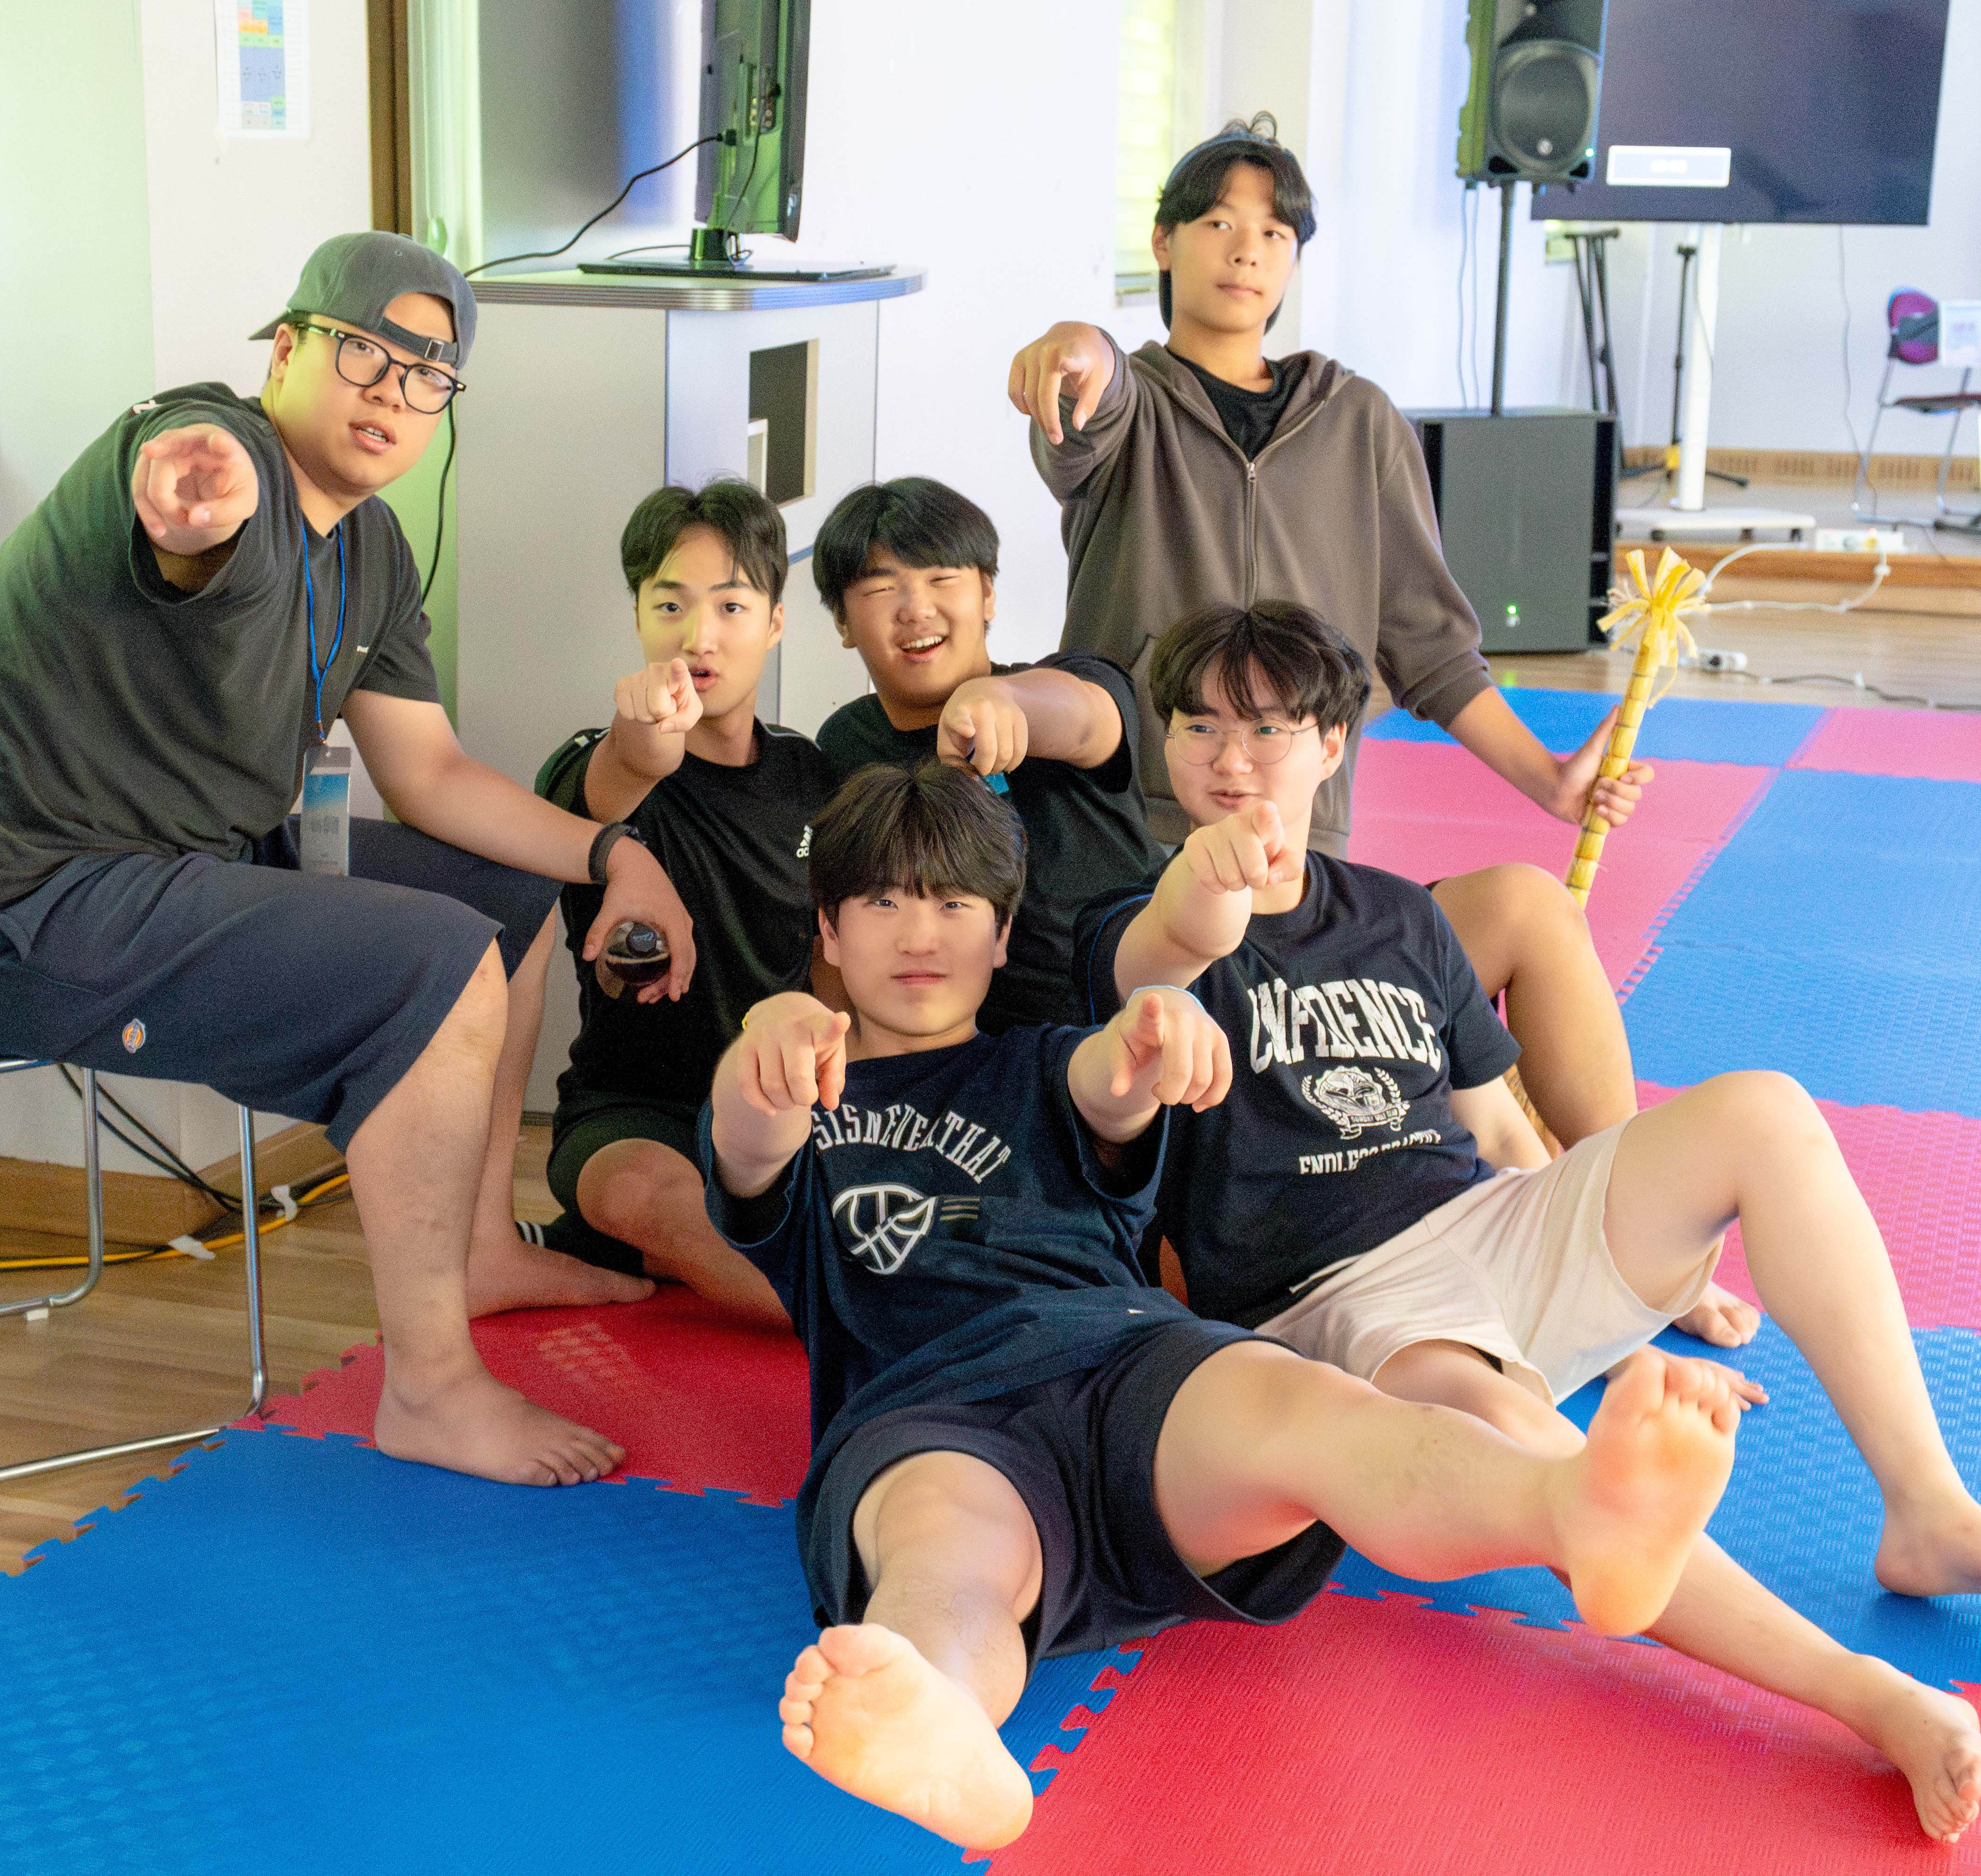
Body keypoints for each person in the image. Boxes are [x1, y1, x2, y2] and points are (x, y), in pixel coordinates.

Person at [1076, 601, 1981, 1843]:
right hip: (1340, 1302)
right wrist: (1205, 897)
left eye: (1265, 729)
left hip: (1488, 1223)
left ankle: (1928, 1507)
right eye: (1199, 727)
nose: (1230, 759)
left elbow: (1494, 1124)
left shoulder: (1403, 916)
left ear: (1332, 745)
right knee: (1518, 1429)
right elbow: (1158, 963)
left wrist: (1616, 1312)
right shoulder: (1133, 927)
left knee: (1763, 1110)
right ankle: (1871, 1696)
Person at [702, 761, 1752, 1852]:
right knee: (948, 1555)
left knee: (1317, 1409)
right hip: (929, 1413)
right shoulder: (804, 1094)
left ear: (1003, 935)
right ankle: (949, 1724)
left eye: (954, 902)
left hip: (1130, 1359)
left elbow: (1109, 1083)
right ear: (829, 929)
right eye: (882, 900)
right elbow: (749, 1137)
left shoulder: (1044, 1062)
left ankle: (1567, 1510)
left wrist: (1153, 1026)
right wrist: (767, 1043)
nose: (920, 932)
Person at [0, 232, 690, 1489]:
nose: (391, 390)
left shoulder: (372, 552)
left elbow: (431, 775)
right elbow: (190, 505)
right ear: (284, 353)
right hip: (21, 910)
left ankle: (479, 1248)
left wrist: (614, 853)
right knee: (434, 957)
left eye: (427, 374)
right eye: (363, 351)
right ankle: (430, 1391)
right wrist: (189, 500)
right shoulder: (223, 457)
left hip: (177, 862)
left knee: (512, 903)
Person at [1002, 117, 1663, 1165]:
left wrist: (1550, 782)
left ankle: (1624, 1209)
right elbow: (1089, 406)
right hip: (1144, 867)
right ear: (1165, 243)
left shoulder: (1359, 420)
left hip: (1309, 873)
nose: (1247, 250)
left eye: (1274, 232)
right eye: (1218, 223)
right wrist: (1077, 344)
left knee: (1534, 914)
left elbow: (1428, 643)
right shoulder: (1131, 411)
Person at [530, 480, 837, 1322]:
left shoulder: (813, 777)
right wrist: (646, 738)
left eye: (732, 607)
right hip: (631, 1115)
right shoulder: (587, 764)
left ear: (775, 622)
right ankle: (865, 1331)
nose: (699, 636)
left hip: (782, 1104)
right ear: (638, 616)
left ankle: (624, 1252)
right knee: (645, 1197)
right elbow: (626, 771)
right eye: (670, 605)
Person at [811, 477, 1157, 1033]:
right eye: (882, 589)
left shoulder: (1069, 682)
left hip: (1124, 1022)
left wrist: (1001, 700)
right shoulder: (845, 745)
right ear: (843, 623)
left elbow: (1091, 720)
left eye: (942, 579)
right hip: (965, 1051)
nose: (916, 609)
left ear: (988, 594)